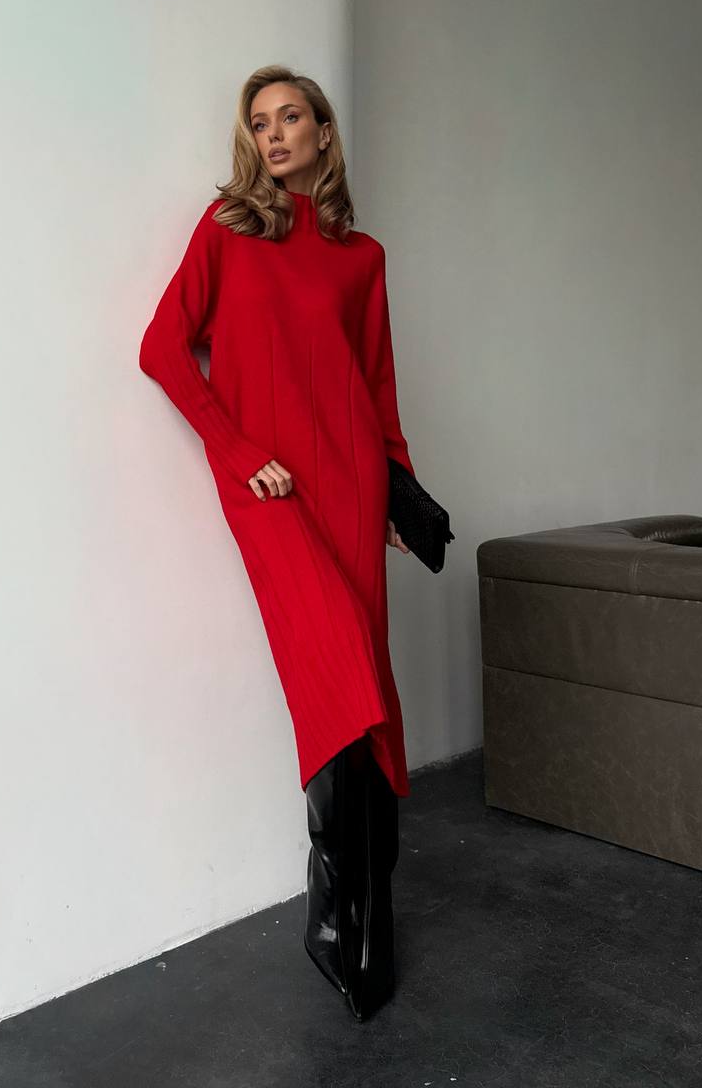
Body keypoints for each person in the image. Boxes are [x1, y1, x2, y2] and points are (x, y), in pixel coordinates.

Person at [138, 64, 416, 1021]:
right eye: (259, 123)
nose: (275, 134)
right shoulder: (227, 234)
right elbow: (162, 348)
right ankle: (340, 906)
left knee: (366, 682)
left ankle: (364, 906)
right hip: (270, 488)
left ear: (325, 133)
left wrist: (398, 489)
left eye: (291, 117)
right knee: (338, 670)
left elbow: (377, 389)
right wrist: (237, 446)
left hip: (352, 485)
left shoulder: (361, 256)